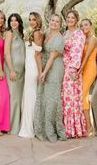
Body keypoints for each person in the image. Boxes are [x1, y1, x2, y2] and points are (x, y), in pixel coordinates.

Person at [34, 14, 66, 142]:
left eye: (57, 21)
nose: (54, 23)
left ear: (60, 24)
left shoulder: (59, 38)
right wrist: (40, 70)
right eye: (53, 20)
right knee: (44, 96)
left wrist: (44, 72)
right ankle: (41, 127)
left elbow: (52, 57)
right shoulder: (46, 34)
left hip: (54, 68)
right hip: (45, 67)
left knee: (52, 99)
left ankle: (51, 129)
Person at [61, 9, 87, 138]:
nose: (70, 19)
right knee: (65, 98)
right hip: (62, 67)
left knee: (71, 98)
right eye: (68, 17)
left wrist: (72, 69)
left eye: (72, 17)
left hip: (71, 70)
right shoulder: (65, 33)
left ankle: (73, 129)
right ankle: (65, 127)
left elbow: (77, 52)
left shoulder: (78, 33)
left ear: (76, 20)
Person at [18, 12, 43, 138]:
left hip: (33, 68)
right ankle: (27, 125)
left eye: (34, 19)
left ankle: (29, 127)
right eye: (30, 19)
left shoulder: (37, 33)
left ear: (38, 20)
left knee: (30, 97)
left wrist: (40, 73)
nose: (31, 21)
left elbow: (38, 55)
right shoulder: (33, 32)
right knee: (28, 96)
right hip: (28, 68)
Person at [4, 13, 25, 135]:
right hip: (12, 71)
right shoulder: (9, 34)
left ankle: (17, 124)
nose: (13, 22)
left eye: (16, 20)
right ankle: (12, 127)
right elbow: (6, 53)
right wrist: (11, 70)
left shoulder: (21, 35)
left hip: (21, 72)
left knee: (18, 98)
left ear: (19, 22)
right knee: (14, 98)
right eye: (11, 20)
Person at [79, 18, 97, 135]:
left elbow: (86, 56)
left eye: (86, 25)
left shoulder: (93, 39)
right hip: (83, 67)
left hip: (90, 68)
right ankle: (88, 126)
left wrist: (80, 69)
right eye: (81, 26)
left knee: (82, 95)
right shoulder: (83, 38)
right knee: (83, 96)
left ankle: (89, 126)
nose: (84, 27)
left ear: (91, 25)